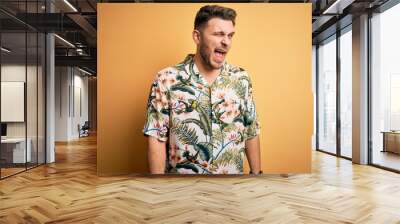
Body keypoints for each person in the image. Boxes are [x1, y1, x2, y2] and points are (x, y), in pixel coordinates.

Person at [143, 5, 261, 174]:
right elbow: (156, 137)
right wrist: (158, 187)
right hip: (181, 192)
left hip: (232, 192)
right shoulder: (166, 79)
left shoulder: (241, 78)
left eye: (230, 35)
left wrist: (257, 176)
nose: (226, 41)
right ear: (197, 37)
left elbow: (251, 131)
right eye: (219, 34)